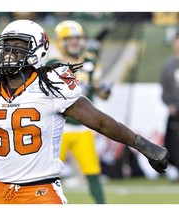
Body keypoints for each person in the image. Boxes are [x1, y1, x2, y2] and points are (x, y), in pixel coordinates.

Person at [0, 19, 169, 204]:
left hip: (41, 192)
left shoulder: (51, 85)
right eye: (6, 46)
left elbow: (100, 122)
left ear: (38, 50)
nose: (8, 53)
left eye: (17, 46)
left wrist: (144, 146)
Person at [47, 20, 111, 204]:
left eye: (77, 38)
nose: (75, 43)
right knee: (47, 173)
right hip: (59, 127)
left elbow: (101, 92)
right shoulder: (53, 63)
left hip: (83, 127)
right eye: (69, 39)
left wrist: (104, 89)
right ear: (61, 41)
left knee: (92, 172)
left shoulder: (90, 61)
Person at [160, 32, 179, 180]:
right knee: (173, 143)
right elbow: (164, 90)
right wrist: (169, 104)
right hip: (175, 112)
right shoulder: (169, 66)